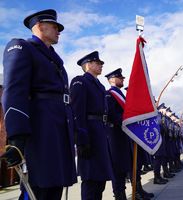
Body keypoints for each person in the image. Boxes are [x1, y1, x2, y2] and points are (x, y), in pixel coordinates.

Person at [1, 9, 77, 199]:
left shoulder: (54, 58)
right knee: (38, 188)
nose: (59, 31)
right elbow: (14, 91)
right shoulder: (21, 47)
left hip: (57, 130)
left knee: (54, 187)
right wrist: (17, 137)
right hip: (40, 130)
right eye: (55, 26)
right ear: (40, 26)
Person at [70, 51, 114, 200]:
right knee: (90, 179)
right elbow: (77, 112)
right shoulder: (80, 82)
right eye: (98, 63)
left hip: (100, 133)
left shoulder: (100, 86)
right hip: (89, 134)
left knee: (100, 179)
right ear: (88, 65)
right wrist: (81, 139)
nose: (101, 65)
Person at [105, 68, 153, 200]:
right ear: (113, 79)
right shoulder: (109, 95)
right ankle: (120, 196)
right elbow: (112, 114)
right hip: (116, 136)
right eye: (120, 78)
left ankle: (137, 191)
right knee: (118, 169)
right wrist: (127, 120)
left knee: (132, 165)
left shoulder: (120, 95)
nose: (122, 80)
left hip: (126, 136)